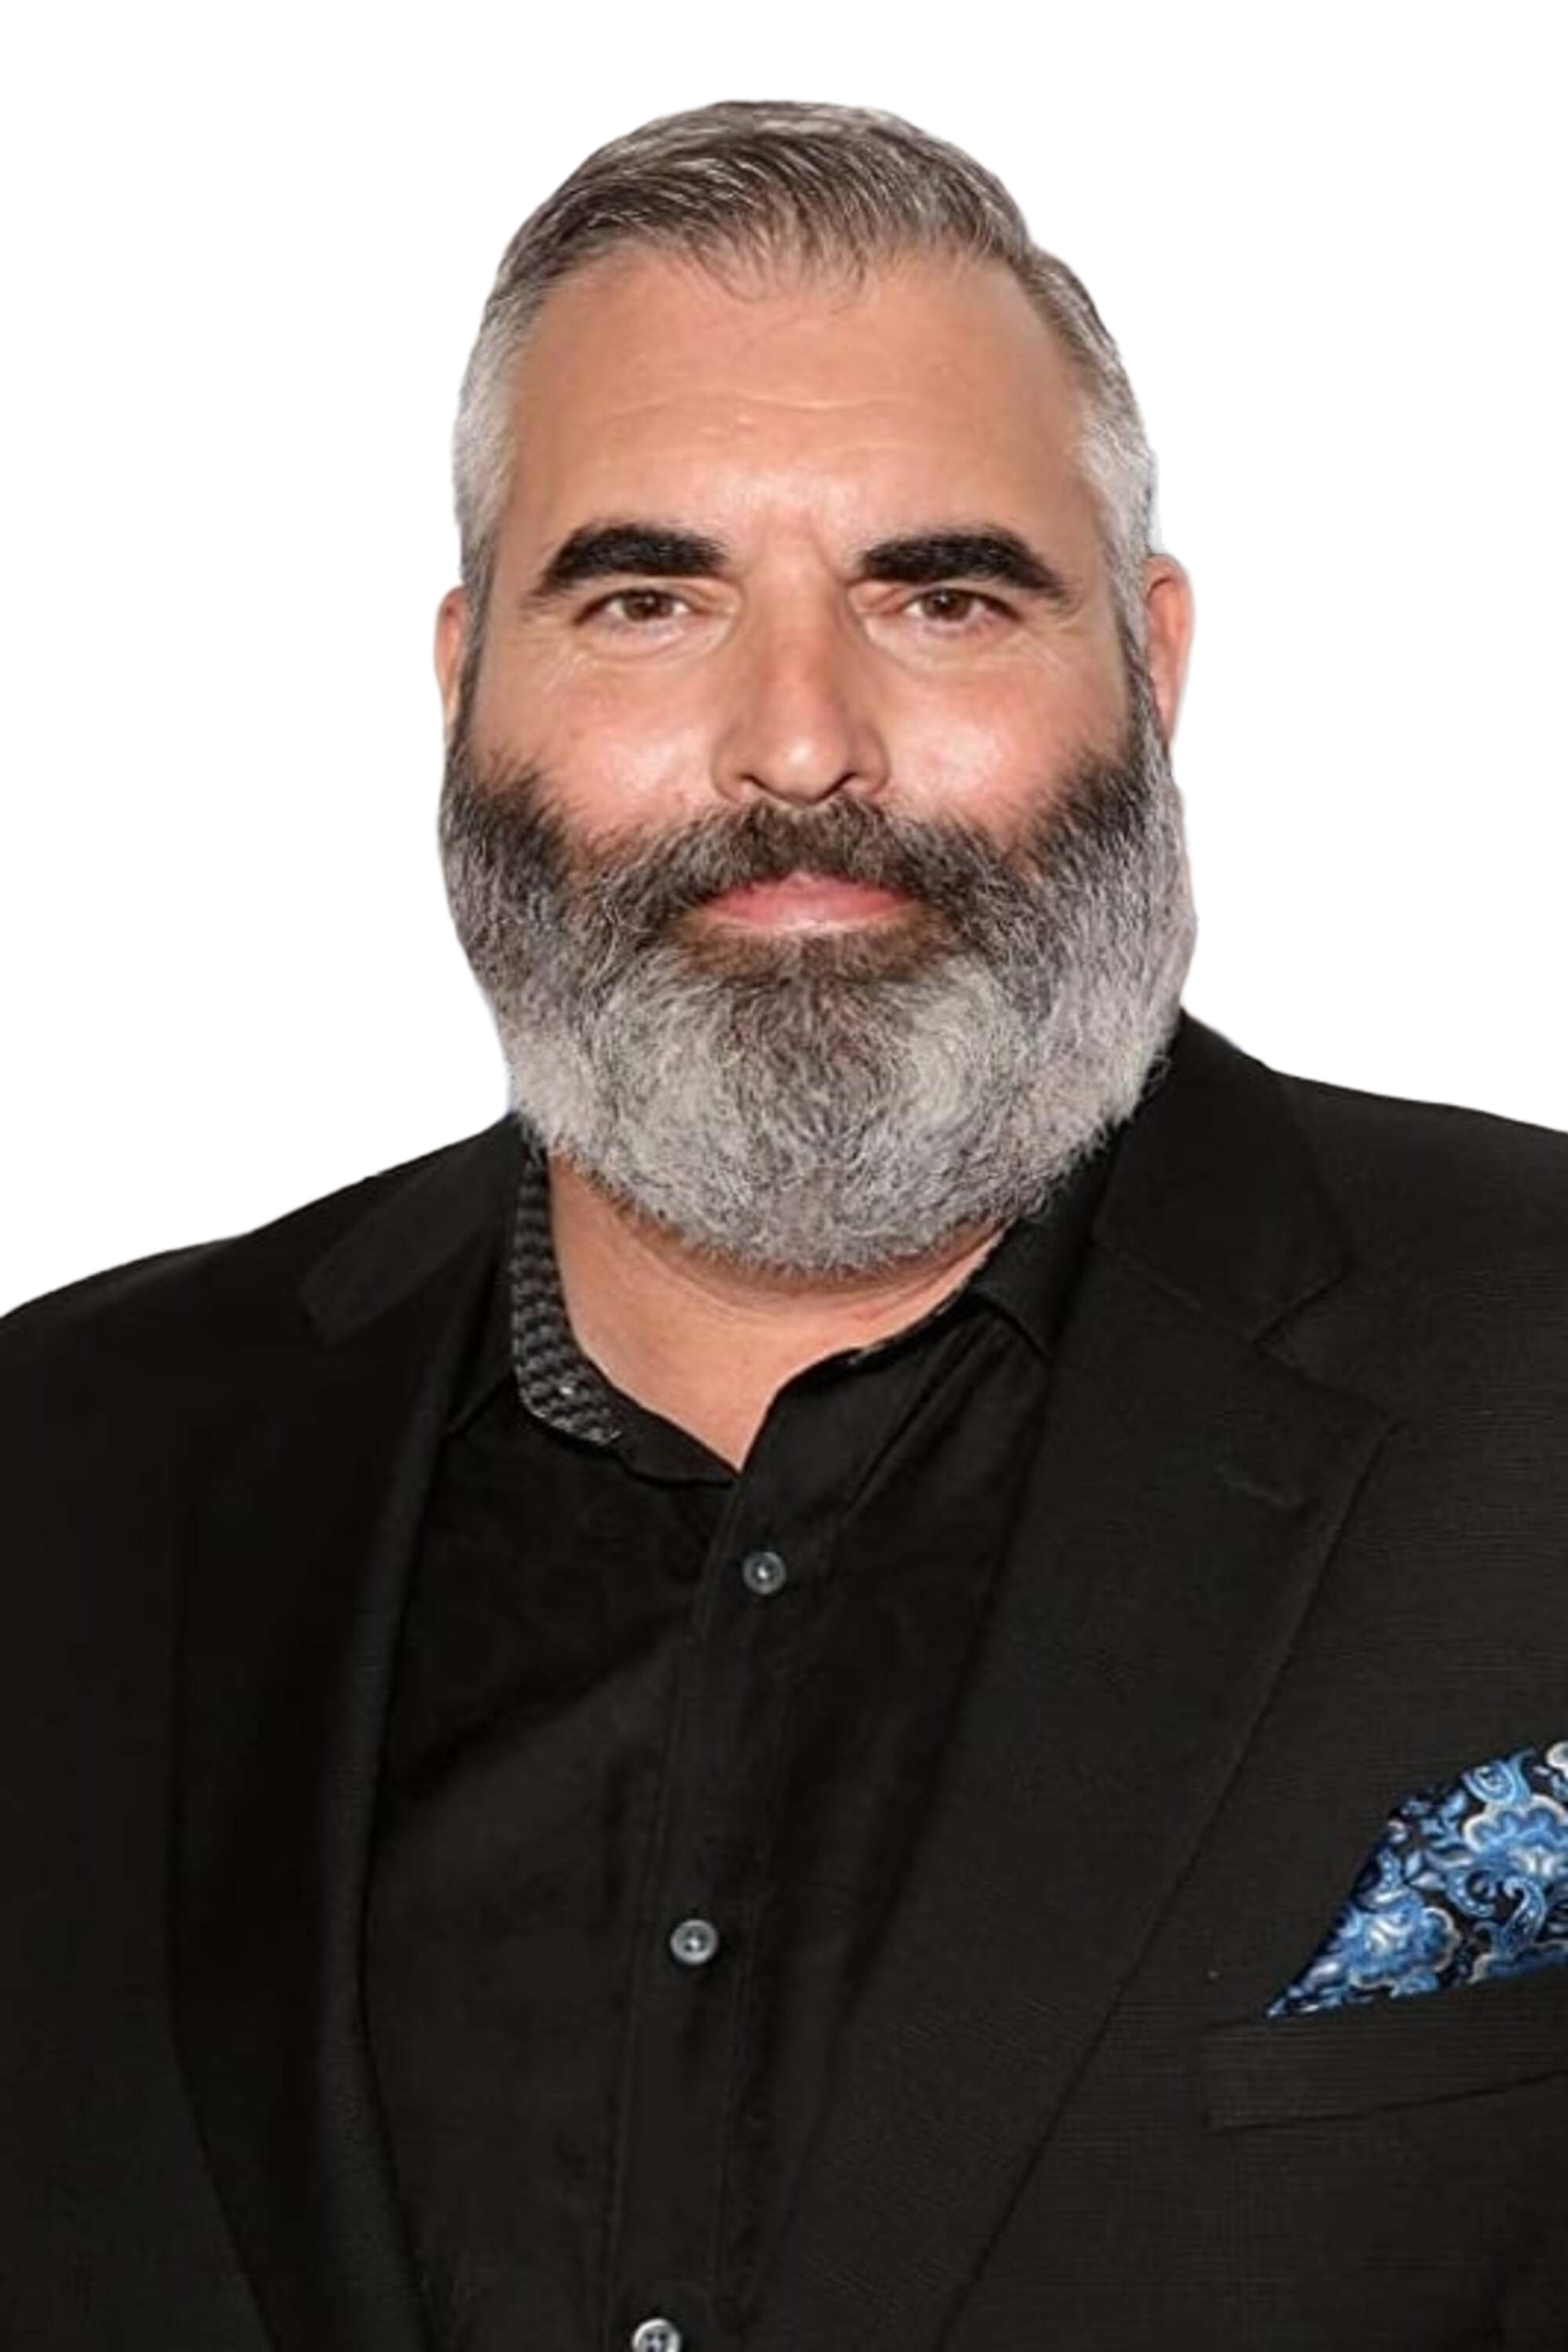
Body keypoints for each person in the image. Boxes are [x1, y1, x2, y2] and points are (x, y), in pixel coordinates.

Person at [3, 95, 1563, 2352]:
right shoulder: (60, 1459)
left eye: (943, 596)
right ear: (461, 684)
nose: (801, 745)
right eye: (649, 601)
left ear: (1156, 670)